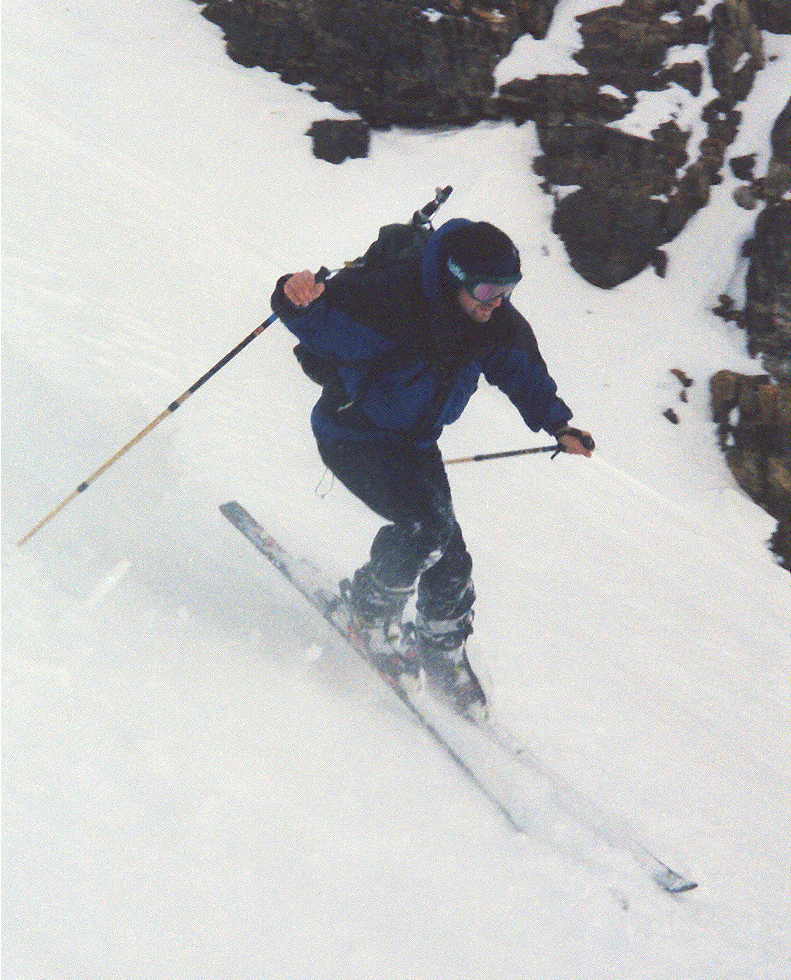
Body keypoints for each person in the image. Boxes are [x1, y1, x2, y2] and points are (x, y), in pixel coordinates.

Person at [271, 217, 593, 718]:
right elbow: (321, 322)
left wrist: (557, 423)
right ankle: (368, 613)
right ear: (454, 277)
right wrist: (295, 296)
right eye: (486, 289)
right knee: (424, 530)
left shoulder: (493, 322)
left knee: (451, 557)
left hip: (415, 444)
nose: (496, 301)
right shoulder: (393, 301)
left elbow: (521, 369)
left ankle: (442, 649)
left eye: (507, 289)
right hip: (353, 434)